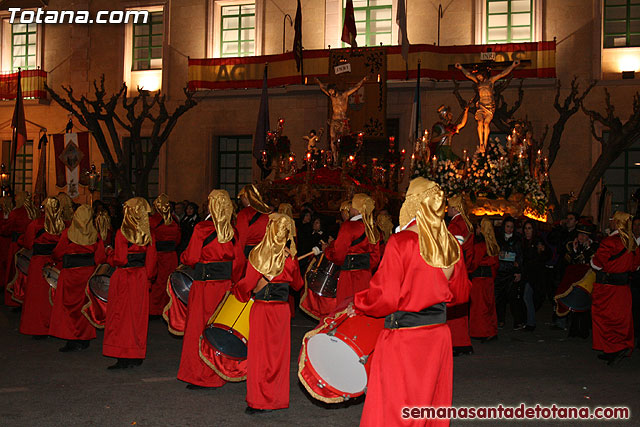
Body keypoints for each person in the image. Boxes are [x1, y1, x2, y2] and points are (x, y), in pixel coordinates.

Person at [352, 177, 471, 426]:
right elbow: (460, 294)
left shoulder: (401, 242)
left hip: (404, 338)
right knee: (428, 405)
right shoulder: (451, 244)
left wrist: (359, 301)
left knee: (395, 407)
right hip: (437, 336)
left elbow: (384, 298)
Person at [233, 213, 303, 414]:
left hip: (262, 310)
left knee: (259, 355)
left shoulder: (257, 253)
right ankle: (276, 398)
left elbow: (247, 284)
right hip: (281, 311)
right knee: (278, 356)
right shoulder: (290, 256)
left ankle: (259, 400)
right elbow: (297, 285)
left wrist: (237, 291)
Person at [177, 190, 244, 389]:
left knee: (198, 328)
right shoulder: (233, 232)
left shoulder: (202, 228)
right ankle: (218, 373)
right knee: (218, 328)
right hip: (223, 287)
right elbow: (239, 264)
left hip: (204, 287)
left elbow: (190, 257)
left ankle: (200, 375)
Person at [103, 197, 157, 369]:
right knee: (137, 317)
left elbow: (119, 259)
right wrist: (147, 278)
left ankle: (123, 355)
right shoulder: (148, 233)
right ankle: (136, 353)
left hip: (124, 277)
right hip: (140, 277)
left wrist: (109, 253)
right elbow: (152, 261)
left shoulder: (122, 233)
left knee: (121, 317)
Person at [49, 205, 106, 352]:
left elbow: (57, 253)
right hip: (87, 274)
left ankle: (71, 339)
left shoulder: (67, 234)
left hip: (69, 276)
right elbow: (100, 258)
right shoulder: (95, 236)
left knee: (68, 308)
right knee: (85, 306)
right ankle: (84, 337)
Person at [590, 212, 640, 365]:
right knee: (621, 318)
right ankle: (618, 347)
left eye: (612, 220)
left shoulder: (609, 242)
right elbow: (635, 266)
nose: (610, 222)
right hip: (623, 288)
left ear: (617, 223)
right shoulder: (632, 242)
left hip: (607, 288)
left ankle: (612, 348)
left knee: (605, 318)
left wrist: (592, 260)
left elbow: (598, 264)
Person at [19, 197, 66, 338]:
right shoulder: (63, 225)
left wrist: (20, 239)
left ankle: (38, 328)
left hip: (38, 263)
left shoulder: (35, 224)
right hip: (54, 262)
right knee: (53, 296)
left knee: (37, 297)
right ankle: (53, 326)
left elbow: (28, 243)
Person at [322, 193, 380, 305]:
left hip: (349, 277)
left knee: (345, 308)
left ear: (357, 209)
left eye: (352, 206)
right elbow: (375, 257)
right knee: (362, 307)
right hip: (366, 276)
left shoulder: (348, 226)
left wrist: (327, 251)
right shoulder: (372, 228)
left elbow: (339, 255)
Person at [455, 60, 520, 152]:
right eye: (477, 76)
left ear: (483, 74)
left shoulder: (490, 81)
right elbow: (468, 75)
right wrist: (461, 68)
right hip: (481, 106)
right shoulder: (478, 82)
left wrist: (512, 66)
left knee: (486, 123)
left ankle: (485, 143)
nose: (477, 76)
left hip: (489, 107)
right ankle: (481, 143)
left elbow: (502, 74)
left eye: (479, 75)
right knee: (480, 122)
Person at [554, 221, 598, 339]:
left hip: (586, 281)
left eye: (585, 235)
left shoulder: (594, 247)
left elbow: (594, 262)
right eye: (580, 235)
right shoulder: (571, 246)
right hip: (574, 280)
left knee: (583, 305)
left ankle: (583, 331)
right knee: (573, 306)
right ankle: (574, 331)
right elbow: (568, 262)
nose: (582, 237)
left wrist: (587, 249)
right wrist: (574, 251)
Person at [446, 194, 475, 355]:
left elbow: (452, 250)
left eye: (449, 207)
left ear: (456, 208)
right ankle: (463, 342)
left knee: (454, 309)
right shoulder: (466, 223)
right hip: (465, 267)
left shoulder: (455, 225)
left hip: (456, 268)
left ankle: (456, 343)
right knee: (462, 311)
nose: (447, 210)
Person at [315, 76, 367, 162]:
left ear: (335, 89)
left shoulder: (344, 95)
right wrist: (318, 82)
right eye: (329, 92)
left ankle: (343, 158)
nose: (330, 93)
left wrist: (363, 80)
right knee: (332, 139)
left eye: (331, 91)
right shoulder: (331, 96)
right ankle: (335, 159)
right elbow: (322, 87)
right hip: (334, 120)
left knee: (342, 140)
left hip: (342, 120)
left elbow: (356, 87)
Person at [149, 194, 181, 317]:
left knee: (157, 282)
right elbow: (178, 239)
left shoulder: (153, 220)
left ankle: (154, 309)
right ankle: (167, 308)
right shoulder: (174, 220)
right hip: (172, 255)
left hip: (158, 255)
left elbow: (150, 238)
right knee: (169, 282)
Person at [1, 191, 35, 307]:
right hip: (30, 247)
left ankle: (13, 300)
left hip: (17, 245)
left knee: (13, 272)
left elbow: (6, 230)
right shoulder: (33, 212)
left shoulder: (15, 213)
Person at [469, 217, 500, 341]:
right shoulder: (493, 245)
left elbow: (473, 263)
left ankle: (482, 332)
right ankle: (491, 330)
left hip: (479, 280)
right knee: (489, 306)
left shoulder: (479, 246)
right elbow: (496, 264)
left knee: (479, 308)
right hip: (488, 280)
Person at [521, 220, 551, 331]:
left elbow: (546, 255)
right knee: (527, 298)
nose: (527, 231)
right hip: (528, 274)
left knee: (528, 297)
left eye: (529, 228)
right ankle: (529, 321)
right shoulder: (524, 242)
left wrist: (542, 251)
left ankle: (531, 323)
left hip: (536, 275)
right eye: (526, 228)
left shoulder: (537, 241)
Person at [495, 217, 525, 330]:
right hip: (500, 272)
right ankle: (500, 320)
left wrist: (518, 271)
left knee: (513, 298)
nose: (510, 229)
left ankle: (517, 321)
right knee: (500, 298)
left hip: (511, 272)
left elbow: (520, 256)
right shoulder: (498, 238)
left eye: (512, 227)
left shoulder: (517, 240)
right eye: (508, 226)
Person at [236, 184, 271, 259]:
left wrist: (239, 255)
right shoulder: (267, 212)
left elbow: (241, 235)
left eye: (242, 198)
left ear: (246, 198)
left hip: (249, 251)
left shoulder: (244, 213)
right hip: (265, 249)